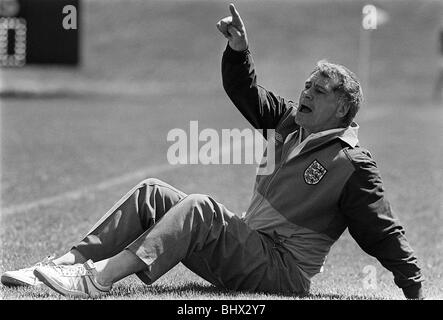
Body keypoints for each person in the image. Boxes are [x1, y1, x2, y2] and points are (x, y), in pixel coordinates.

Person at [1, 4, 424, 299]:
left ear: (343, 108)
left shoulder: (352, 164)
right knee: (154, 191)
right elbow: (247, 92)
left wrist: (415, 287)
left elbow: (381, 231)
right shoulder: (290, 122)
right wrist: (239, 50)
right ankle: (60, 267)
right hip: (251, 249)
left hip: (282, 270)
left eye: (319, 89)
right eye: (307, 85)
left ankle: (99, 280)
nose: (306, 92)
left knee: (200, 207)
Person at [433, 21, 443, 103]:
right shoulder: (441, 31)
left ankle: (437, 92)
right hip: (442, 55)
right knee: (441, 74)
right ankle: (437, 93)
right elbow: (439, 45)